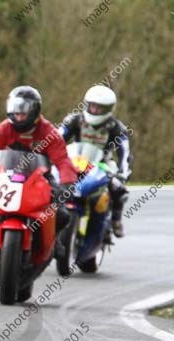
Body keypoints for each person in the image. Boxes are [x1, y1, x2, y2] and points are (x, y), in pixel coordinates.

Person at [0, 86, 78, 247]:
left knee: (62, 214)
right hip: (5, 173)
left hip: (41, 176)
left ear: (35, 110)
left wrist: (66, 184)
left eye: (23, 112)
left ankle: (54, 241)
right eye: (15, 111)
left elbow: (63, 160)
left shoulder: (49, 132)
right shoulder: (2, 129)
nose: (19, 116)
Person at [60, 85, 132, 237]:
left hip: (102, 163)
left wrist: (122, 174)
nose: (95, 111)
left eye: (100, 108)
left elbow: (124, 153)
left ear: (108, 109)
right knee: (53, 182)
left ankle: (115, 219)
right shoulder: (74, 120)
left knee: (118, 188)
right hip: (76, 159)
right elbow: (56, 140)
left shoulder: (116, 128)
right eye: (92, 106)